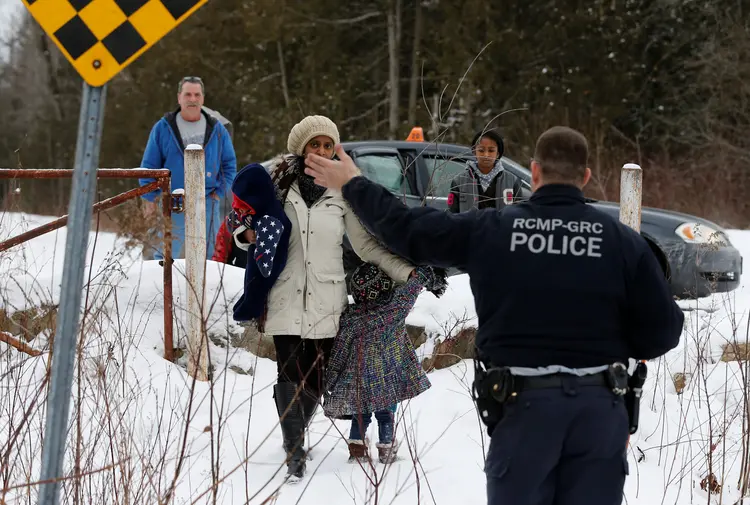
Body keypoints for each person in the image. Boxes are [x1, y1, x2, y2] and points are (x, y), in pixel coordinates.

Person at [303, 126, 684, 505]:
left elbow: (408, 229)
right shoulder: (622, 242)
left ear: (534, 173)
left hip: (523, 409)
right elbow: (663, 332)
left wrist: (353, 182)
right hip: (599, 413)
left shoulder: (494, 230)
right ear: (584, 177)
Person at [231, 115, 415, 482]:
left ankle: (295, 437)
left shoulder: (342, 193)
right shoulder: (278, 187)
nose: (321, 151)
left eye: (327, 146)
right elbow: (244, 224)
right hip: (285, 292)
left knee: (314, 377)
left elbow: (365, 246)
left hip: (327, 297)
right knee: (287, 371)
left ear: (335, 151)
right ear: (301, 148)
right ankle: (294, 452)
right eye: (314, 145)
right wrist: (250, 237)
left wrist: (407, 272)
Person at [323, 263, 446, 464]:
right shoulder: (394, 309)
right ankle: (386, 450)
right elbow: (412, 288)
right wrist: (428, 272)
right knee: (386, 415)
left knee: (360, 416)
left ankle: (357, 449)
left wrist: (331, 379)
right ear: (384, 286)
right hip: (388, 379)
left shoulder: (351, 319)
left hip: (358, 382)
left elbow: (339, 353)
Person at [139, 76, 237, 260]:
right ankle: (163, 289)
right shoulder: (163, 127)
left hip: (207, 199)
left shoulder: (216, 129)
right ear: (179, 97)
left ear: (203, 98)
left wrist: (220, 191)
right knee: (163, 254)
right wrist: (150, 199)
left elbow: (229, 165)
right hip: (172, 199)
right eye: (188, 94)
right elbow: (149, 166)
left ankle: (205, 289)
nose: (192, 99)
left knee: (210, 256)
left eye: (197, 94)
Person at [448, 128, 524, 213]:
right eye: (481, 150)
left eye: (491, 150)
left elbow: (518, 216)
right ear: (474, 152)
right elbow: (452, 216)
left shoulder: (512, 181)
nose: (486, 155)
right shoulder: (459, 182)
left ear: (498, 153)